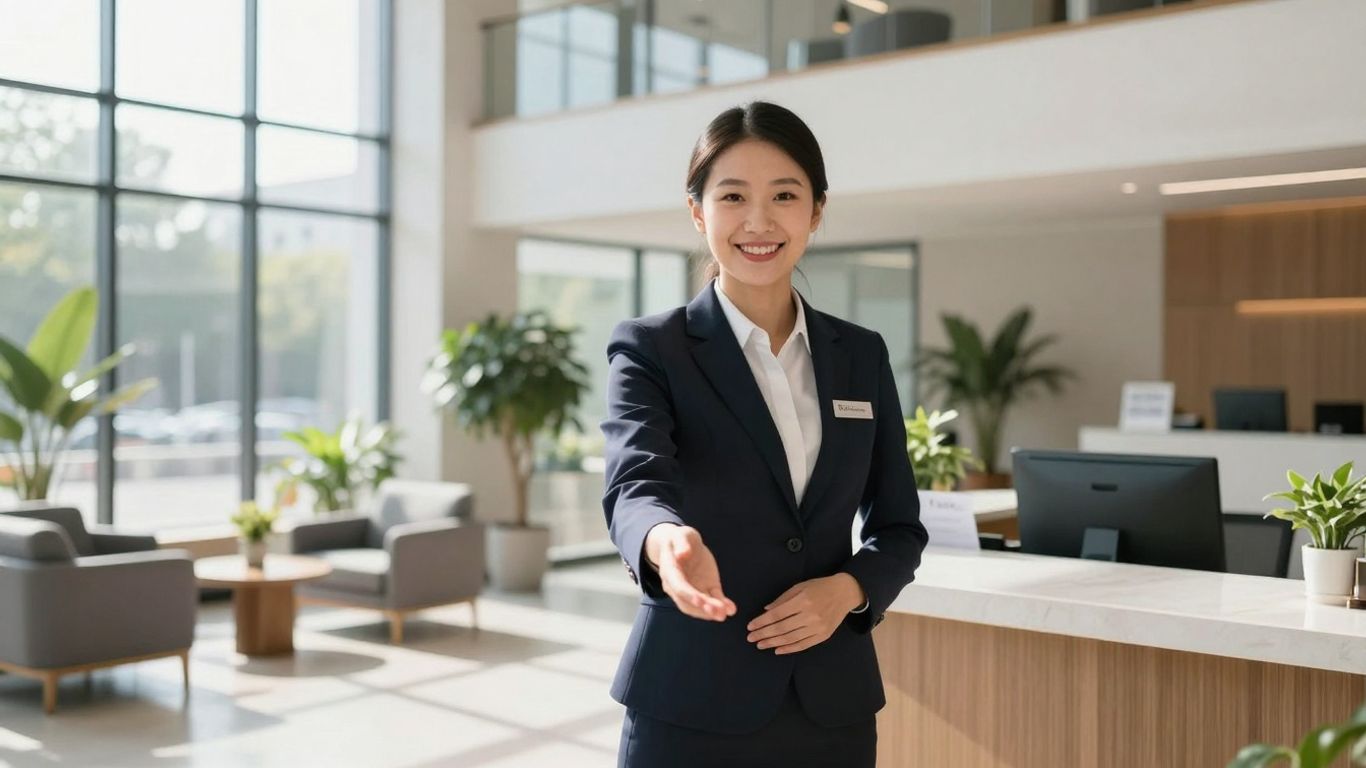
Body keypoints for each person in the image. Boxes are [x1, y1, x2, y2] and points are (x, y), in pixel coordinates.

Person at [600, 101, 929, 768]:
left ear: (815, 211)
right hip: (690, 701)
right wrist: (666, 544)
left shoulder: (859, 355)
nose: (759, 221)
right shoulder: (651, 349)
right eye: (733, 197)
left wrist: (849, 590)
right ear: (699, 212)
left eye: (784, 195)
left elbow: (899, 526)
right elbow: (636, 484)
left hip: (830, 706)